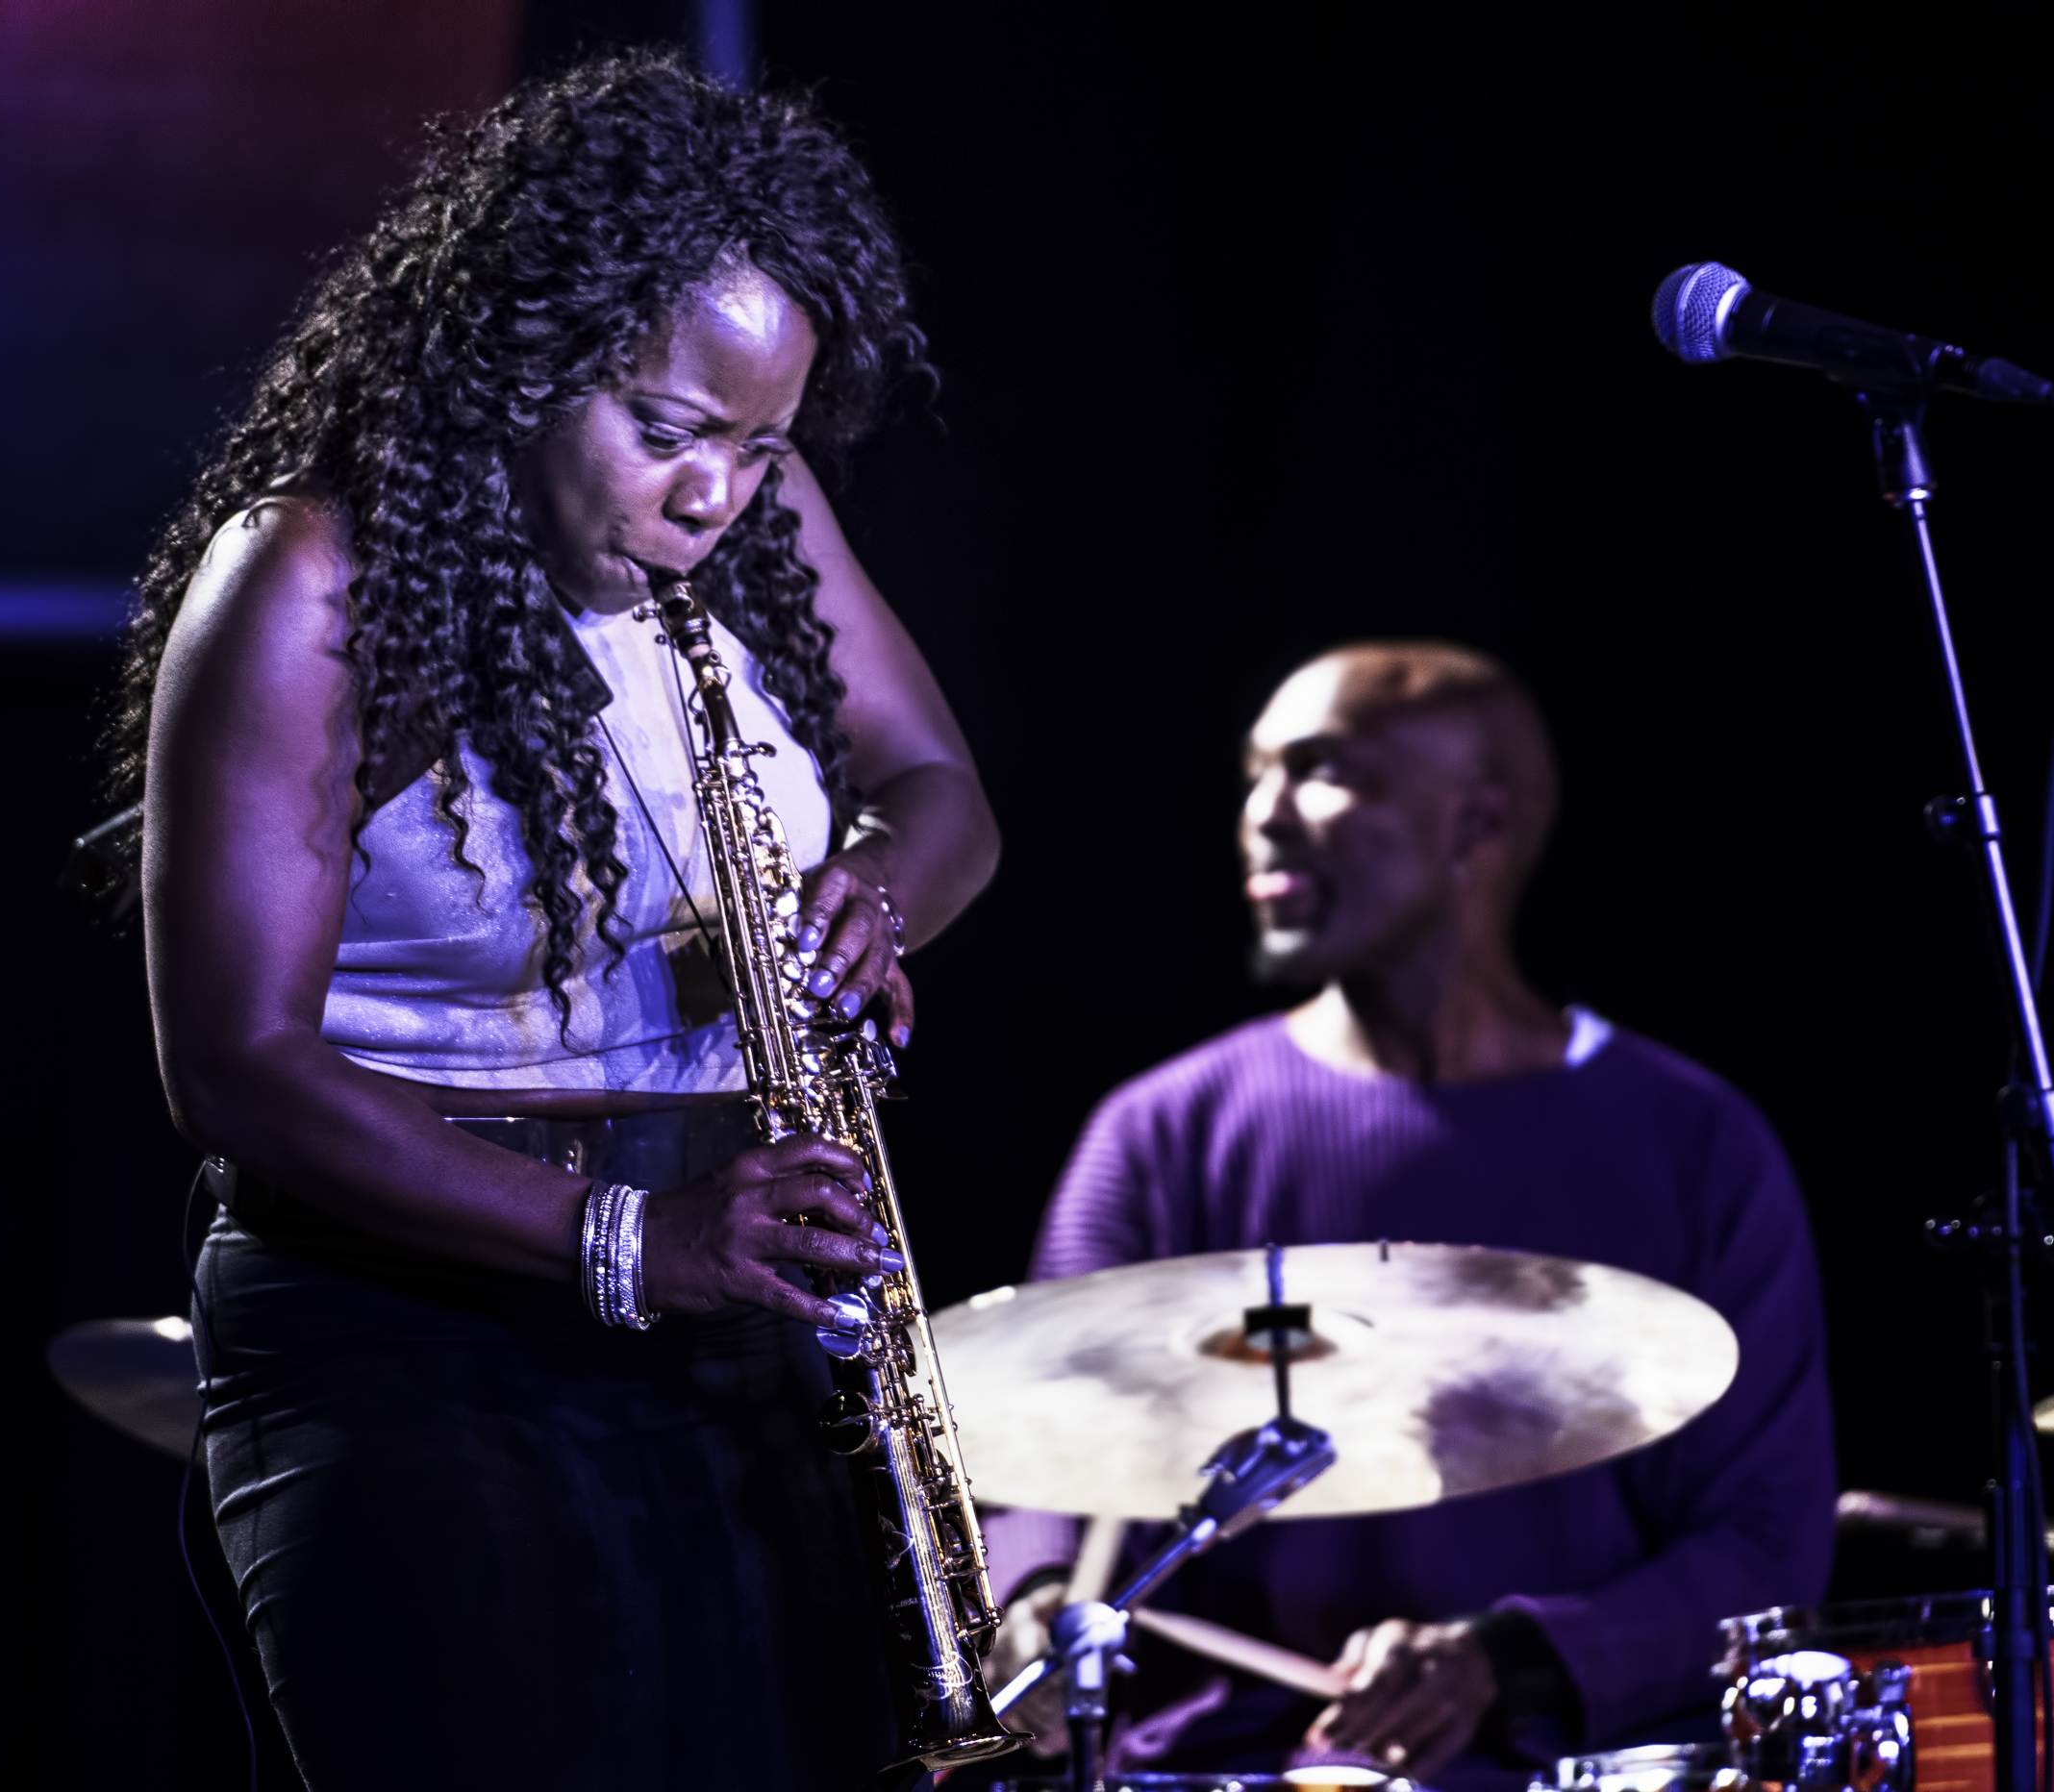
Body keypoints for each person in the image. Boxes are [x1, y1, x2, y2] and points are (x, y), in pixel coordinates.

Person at [115, 55, 998, 1789]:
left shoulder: (752, 517)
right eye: (667, 430)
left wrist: (870, 896)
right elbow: (234, 1060)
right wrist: (628, 1237)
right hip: (409, 1325)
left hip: (738, 1285)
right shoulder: (311, 577)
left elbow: (940, 782)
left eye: (761, 444)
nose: (717, 494)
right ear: (522, 357)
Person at [989, 643, 1835, 1789]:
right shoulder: (1159, 1134)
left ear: (1476, 825)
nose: (1261, 814)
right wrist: (1037, 1603)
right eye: (1254, 775)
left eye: (1321, 770)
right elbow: (1047, 1464)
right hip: (1227, 1766)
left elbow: (1767, 1544)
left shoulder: (1696, 1145)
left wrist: (1508, 1659)